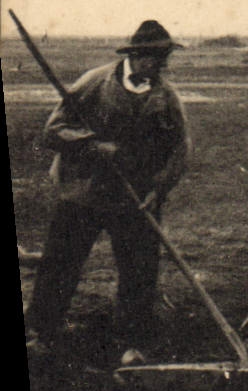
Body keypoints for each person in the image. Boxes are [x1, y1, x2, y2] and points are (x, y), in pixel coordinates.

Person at [25, 20, 190, 367]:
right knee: (61, 263)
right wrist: (94, 145)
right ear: (135, 55)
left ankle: (132, 341)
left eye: (163, 58)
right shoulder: (94, 82)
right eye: (152, 57)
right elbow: (54, 130)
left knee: (140, 268)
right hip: (83, 190)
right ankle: (42, 332)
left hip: (135, 196)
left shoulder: (166, 96)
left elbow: (179, 148)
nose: (158, 65)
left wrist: (158, 190)